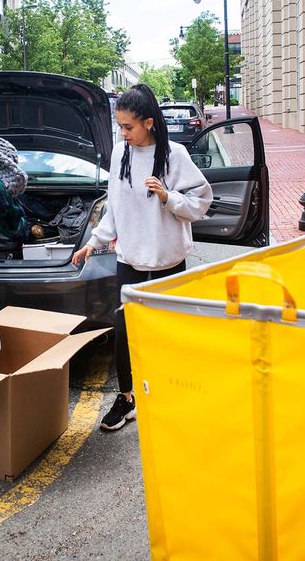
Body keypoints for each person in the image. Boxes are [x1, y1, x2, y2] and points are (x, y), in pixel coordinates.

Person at [72, 84, 213, 431]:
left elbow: (202, 201)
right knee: (123, 332)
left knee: (167, 333)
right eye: (119, 126)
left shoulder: (175, 155)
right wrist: (94, 242)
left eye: (128, 127)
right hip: (130, 259)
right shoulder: (121, 154)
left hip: (168, 260)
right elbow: (115, 208)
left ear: (148, 122)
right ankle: (127, 397)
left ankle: (169, 395)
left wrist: (169, 197)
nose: (123, 133)